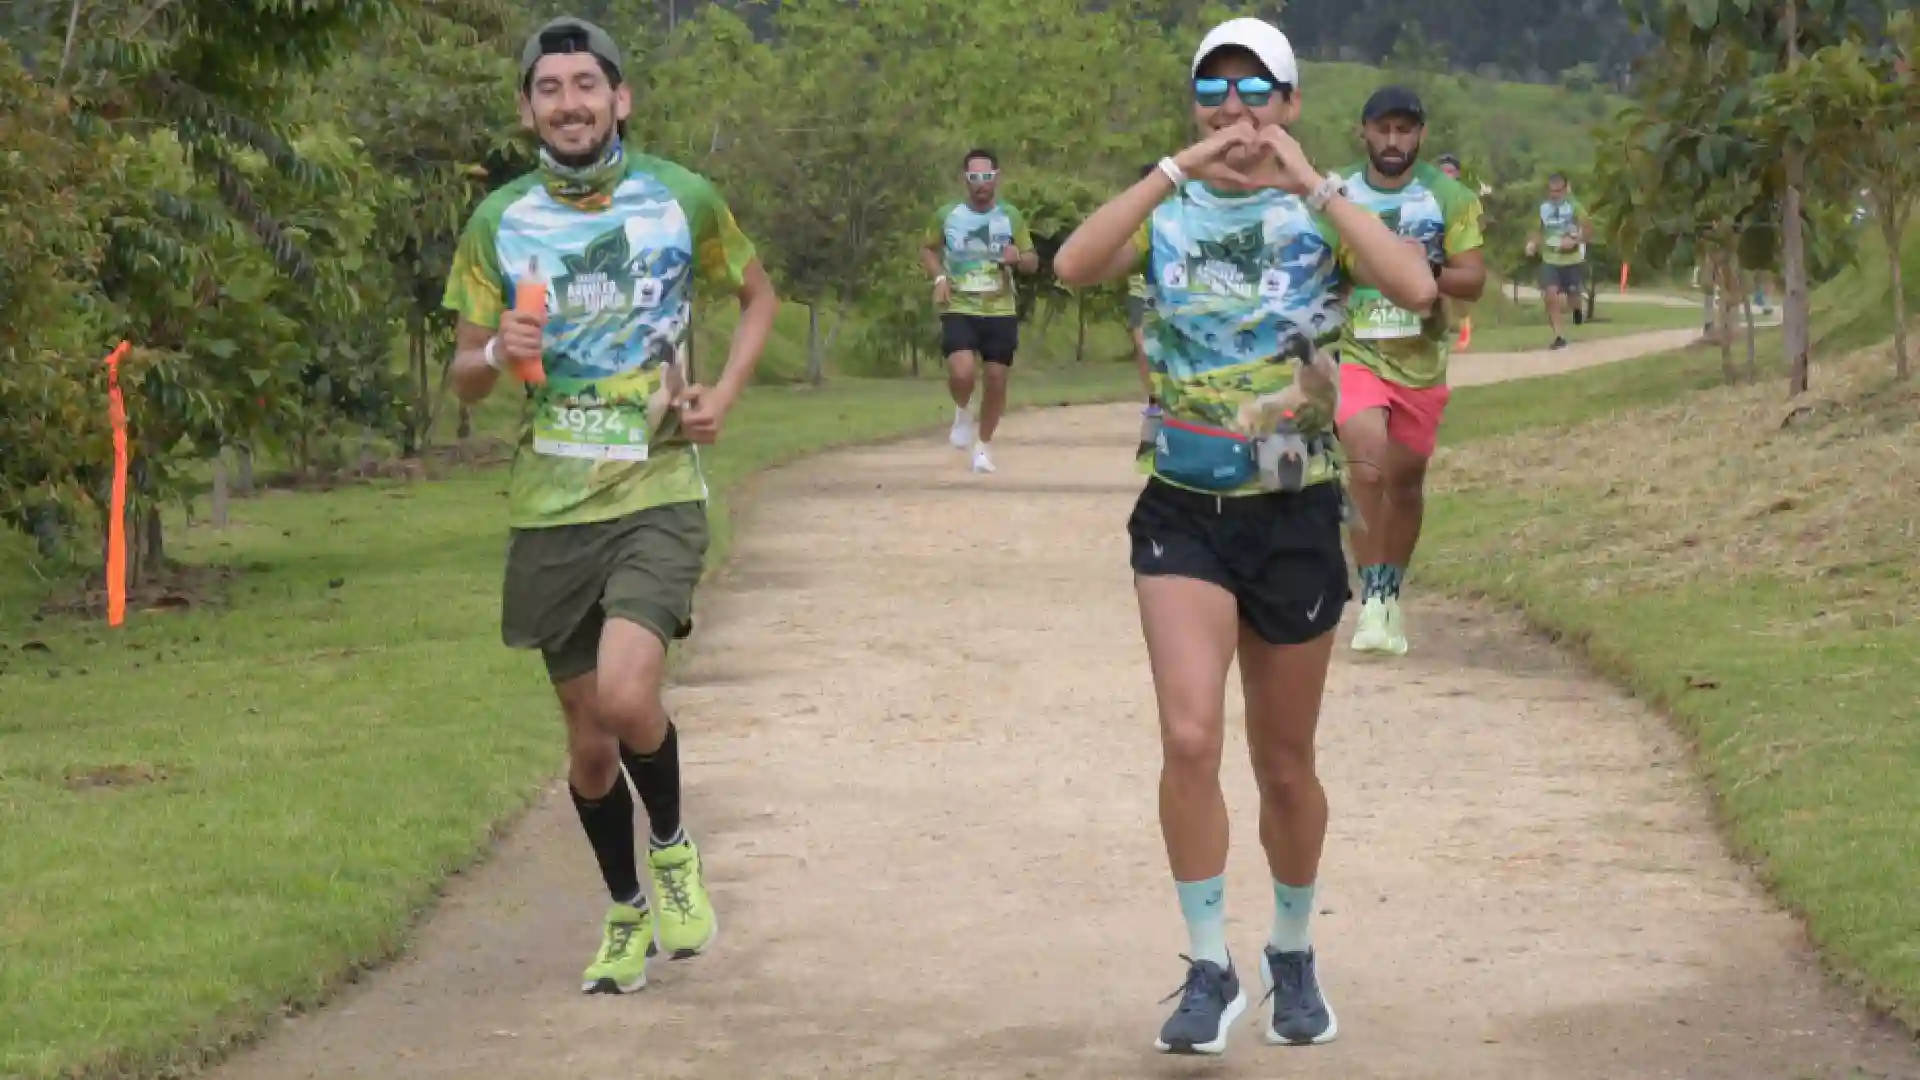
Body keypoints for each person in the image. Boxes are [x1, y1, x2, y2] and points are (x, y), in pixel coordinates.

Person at [1054, 16, 1438, 1058]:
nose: (1235, 111)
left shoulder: (1325, 212)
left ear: (1290, 102)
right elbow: (1074, 264)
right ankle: (1207, 965)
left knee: (1284, 762)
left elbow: (1415, 288)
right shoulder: (1169, 210)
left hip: (1296, 512)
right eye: (1214, 93)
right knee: (1189, 738)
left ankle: (1293, 951)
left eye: (1255, 91)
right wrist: (1172, 170)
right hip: (1183, 508)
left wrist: (1311, 181)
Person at [442, 16, 779, 996]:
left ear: (620, 98)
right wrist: (496, 350)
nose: (570, 103)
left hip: (656, 489)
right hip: (551, 507)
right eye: (549, 89)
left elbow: (758, 297)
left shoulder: (681, 197)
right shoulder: (498, 220)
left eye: (586, 84)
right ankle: (626, 910)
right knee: (590, 746)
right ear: (527, 110)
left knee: (630, 699)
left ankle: (672, 849)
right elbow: (464, 376)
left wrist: (722, 395)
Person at [1333, 87, 1487, 656]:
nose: (1393, 140)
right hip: (1356, 351)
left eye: (1404, 129)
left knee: (1403, 483)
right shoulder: (1339, 194)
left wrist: (1423, 271)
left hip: (1420, 362)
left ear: (1420, 134)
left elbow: (1474, 279)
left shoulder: (1450, 197)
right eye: (1383, 129)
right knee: (1365, 463)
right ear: (1364, 131)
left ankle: (1389, 590)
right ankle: (1370, 595)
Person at [920, 150, 1039, 474]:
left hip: (1000, 308)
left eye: (986, 177)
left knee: (997, 379)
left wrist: (1018, 258)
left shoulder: (1010, 216)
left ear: (996, 177)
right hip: (959, 305)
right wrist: (939, 277)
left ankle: (983, 446)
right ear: (965, 179)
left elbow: (1032, 261)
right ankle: (962, 410)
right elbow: (928, 249)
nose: (981, 184)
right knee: (962, 373)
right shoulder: (948, 214)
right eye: (974, 177)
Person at [1525, 172, 1590, 350]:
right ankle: (1559, 337)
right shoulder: (1543, 208)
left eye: (1558, 191)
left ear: (1566, 189)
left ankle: (1577, 309)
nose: (1554, 195)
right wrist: (1532, 243)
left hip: (1572, 260)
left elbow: (1588, 229)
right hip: (1550, 259)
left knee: (1573, 298)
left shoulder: (1575, 207)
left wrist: (1575, 241)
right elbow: (1537, 230)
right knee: (1550, 295)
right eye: (1551, 191)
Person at [1127, 162, 1162, 459]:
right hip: (1143, 291)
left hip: (1176, 295)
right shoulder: (1136, 219)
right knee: (1143, 348)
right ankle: (1154, 405)